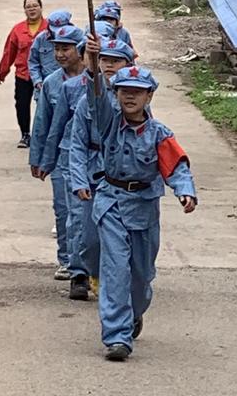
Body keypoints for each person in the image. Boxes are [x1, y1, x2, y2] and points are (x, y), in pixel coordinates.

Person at [87, 64, 197, 362]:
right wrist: (92, 63)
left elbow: (176, 167)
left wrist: (184, 190)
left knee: (141, 275)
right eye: (124, 91)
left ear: (149, 97)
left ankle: (134, 315)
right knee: (115, 271)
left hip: (144, 207)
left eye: (137, 92)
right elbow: (96, 96)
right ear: (117, 94)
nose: (130, 97)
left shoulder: (159, 134)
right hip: (110, 202)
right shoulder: (108, 122)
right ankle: (117, 337)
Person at [68, 39, 135, 300]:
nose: (109, 66)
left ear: (128, 65)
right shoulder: (89, 101)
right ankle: (91, 271)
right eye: (105, 60)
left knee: (124, 238)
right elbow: (77, 144)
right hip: (93, 174)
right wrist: (79, 180)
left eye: (116, 61)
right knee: (89, 237)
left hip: (122, 177)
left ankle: (118, 285)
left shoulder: (134, 100)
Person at [29, 25, 85, 280]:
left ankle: (89, 261)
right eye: (57, 49)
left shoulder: (94, 80)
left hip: (92, 157)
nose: (60, 55)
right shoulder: (52, 83)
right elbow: (43, 124)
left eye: (66, 49)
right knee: (63, 210)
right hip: (63, 155)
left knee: (86, 213)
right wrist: (40, 159)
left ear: (79, 49)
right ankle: (66, 260)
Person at [0, 0, 48, 148]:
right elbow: (9, 52)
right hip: (23, 74)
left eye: (34, 5)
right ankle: (25, 134)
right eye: (28, 7)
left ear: (41, 7)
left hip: (45, 74)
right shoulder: (17, 30)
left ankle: (45, 135)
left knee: (46, 105)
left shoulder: (50, 28)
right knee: (22, 104)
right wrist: (3, 71)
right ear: (24, 10)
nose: (32, 9)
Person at [28, 9, 72, 102]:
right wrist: (37, 81)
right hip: (45, 88)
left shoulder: (76, 38)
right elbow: (33, 62)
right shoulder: (40, 39)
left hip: (69, 87)